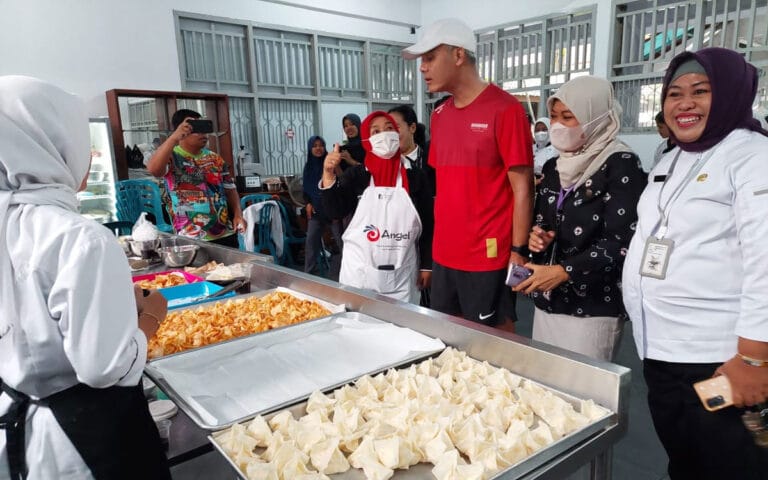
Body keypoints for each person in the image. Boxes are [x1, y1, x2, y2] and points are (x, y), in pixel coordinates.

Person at [0, 76, 170, 479]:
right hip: (84, 442)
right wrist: (150, 318)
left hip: (22, 421)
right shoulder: (81, 238)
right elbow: (103, 368)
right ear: (54, 145)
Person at [622, 48, 768, 479]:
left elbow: (765, 260)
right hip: (661, 349)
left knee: (732, 466)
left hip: (720, 355)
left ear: (730, 96)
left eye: (700, 92)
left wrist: (755, 358)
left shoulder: (753, 157)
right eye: (674, 93)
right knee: (686, 462)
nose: (684, 103)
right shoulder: (670, 160)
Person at [402, 18, 534, 329]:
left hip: (488, 255)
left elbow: (523, 189)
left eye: (430, 57)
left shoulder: (505, 109)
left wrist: (518, 250)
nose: (423, 68)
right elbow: (444, 188)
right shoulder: (439, 115)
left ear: (458, 55)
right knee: (448, 338)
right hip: (445, 254)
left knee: (494, 341)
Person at [513, 76, 647, 362]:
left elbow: (622, 241)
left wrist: (564, 271)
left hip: (592, 305)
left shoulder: (621, 164)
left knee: (583, 393)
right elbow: (545, 219)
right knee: (545, 384)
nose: (558, 125)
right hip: (548, 299)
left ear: (594, 118)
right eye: (554, 116)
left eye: (568, 117)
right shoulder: (553, 166)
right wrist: (539, 238)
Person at [321, 111, 434, 303]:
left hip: (403, 274)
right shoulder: (357, 176)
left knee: (401, 325)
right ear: (367, 139)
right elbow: (334, 211)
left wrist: (426, 265)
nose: (384, 134)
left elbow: (428, 223)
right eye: (376, 131)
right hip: (359, 273)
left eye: (389, 128)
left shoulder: (415, 176)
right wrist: (328, 174)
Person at [147, 109, 245, 247]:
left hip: (225, 233)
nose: (203, 134)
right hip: (190, 236)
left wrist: (238, 214)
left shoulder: (214, 158)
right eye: (195, 128)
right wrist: (174, 138)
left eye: (204, 128)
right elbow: (154, 170)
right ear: (181, 131)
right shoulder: (172, 157)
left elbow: (230, 189)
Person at [302, 135, 342, 275]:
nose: (318, 148)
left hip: (333, 210)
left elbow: (339, 184)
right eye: (315, 146)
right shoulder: (308, 167)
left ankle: (349, 274)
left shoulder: (331, 162)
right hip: (316, 211)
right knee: (311, 242)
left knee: (343, 243)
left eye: (321, 145)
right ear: (310, 148)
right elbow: (306, 188)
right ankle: (309, 275)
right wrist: (307, 203)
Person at [387, 104, 435, 196]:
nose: (391, 134)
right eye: (388, 129)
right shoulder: (382, 164)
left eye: (396, 127)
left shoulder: (431, 162)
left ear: (412, 128)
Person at [532, 117, 558, 184]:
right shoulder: (531, 148)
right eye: (537, 130)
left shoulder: (556, 150)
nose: (540, 132)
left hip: (548, 183)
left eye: (544, 130)